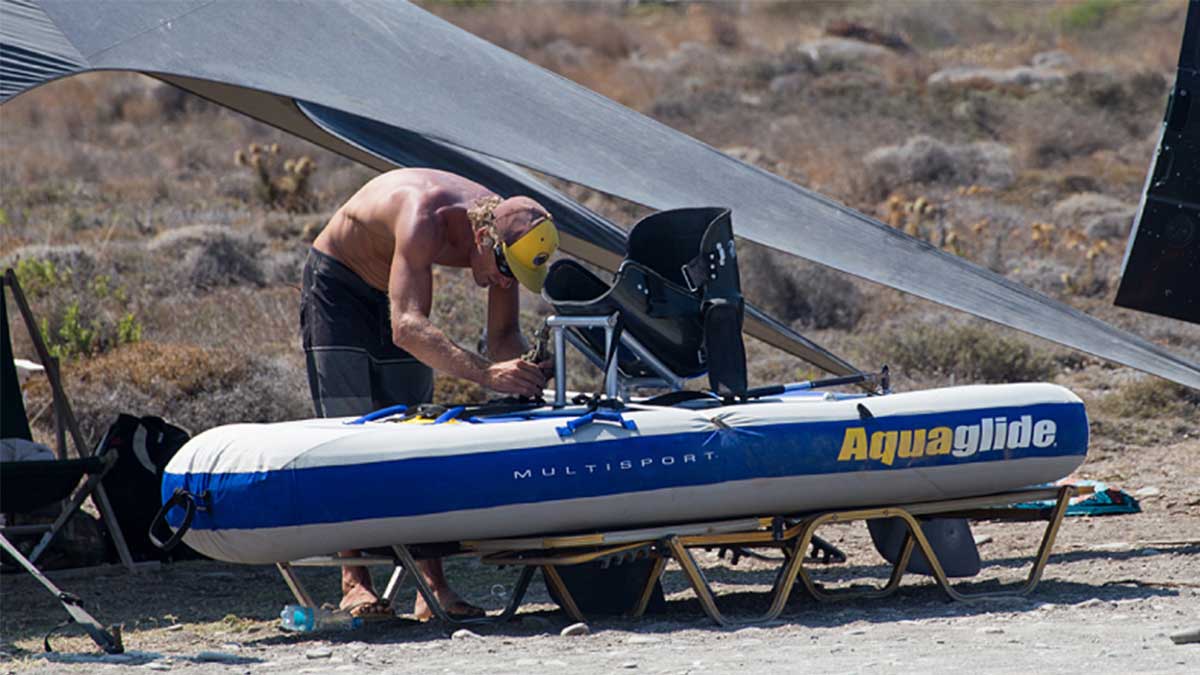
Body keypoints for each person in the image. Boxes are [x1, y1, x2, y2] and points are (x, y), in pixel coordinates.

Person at [300, 168, 559, 620]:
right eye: (504, 271)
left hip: (402, 291)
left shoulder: (510, 233)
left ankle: (432, 588)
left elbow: (503, 337)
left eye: (513, 275)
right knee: (348, 434)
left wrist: (528, 370)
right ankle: (354, 584)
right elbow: (406, 328)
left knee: (416, 433)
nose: (504, 282)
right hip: (339, 289)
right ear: (482, 238)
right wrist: (487, 375)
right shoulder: (425, 215)